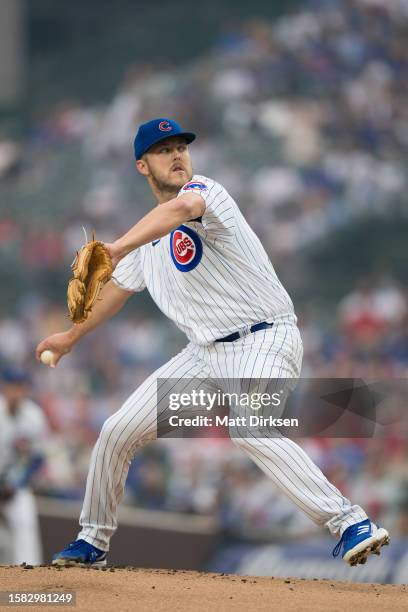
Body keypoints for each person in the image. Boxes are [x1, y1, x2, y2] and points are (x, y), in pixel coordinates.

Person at [36, 117, 389, 568]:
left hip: (263, 337)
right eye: (165, 150)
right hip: (204, 357)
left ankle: (350, 521)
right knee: (117, 431)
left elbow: (180, 212)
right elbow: (116, 292)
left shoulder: (206, 193)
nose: (178, 154)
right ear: (143, 166)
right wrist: (70, 336)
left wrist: (118, 245)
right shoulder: (145, 241)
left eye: (181, 146)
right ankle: (92, 542)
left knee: (250, 427)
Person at [0, 367, 48, 565]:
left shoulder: (34, 416)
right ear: (4, 387)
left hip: (14, 486)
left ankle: (28, 578)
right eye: (13, 386)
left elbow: (38, 458)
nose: (16, 391)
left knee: (25, 521)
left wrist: (15, 483)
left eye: (21, 387)